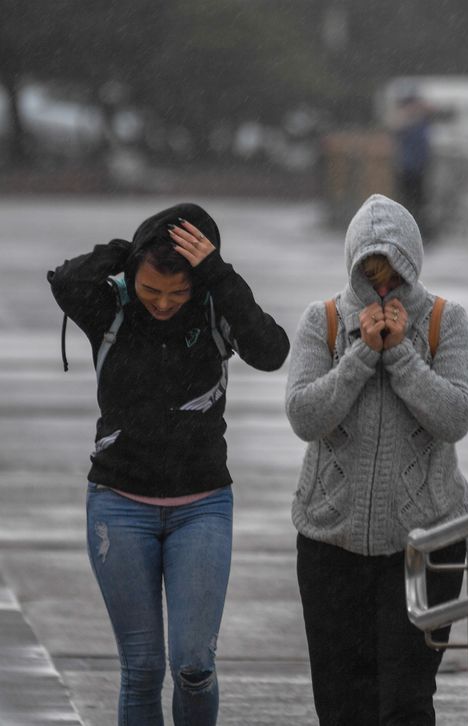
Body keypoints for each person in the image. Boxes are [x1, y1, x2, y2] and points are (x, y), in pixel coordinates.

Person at [47, 202, 289, 726]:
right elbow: (64, 281)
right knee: (141, 670)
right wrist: (126, 253)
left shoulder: (212, 307)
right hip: (118, 505)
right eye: (151, 289)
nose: (162, 303)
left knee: (194, 665)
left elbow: (271, 350)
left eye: (177, 292)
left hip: (200, 508)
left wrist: (217, 273)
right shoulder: (112, 309)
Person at [285, 194, 468, 726]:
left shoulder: (446, 321)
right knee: (342, 704)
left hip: (426, 546)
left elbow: (456, 415)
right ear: (354, 271)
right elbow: (304, 416)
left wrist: (401, 355)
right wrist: (361, 354)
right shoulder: (321, 322)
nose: (384, 289)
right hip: (330, 543)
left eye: (394, 276)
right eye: (372, 276)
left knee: (406, 704)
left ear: (412, 267)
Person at [391, 94, 432, 238]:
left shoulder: (421, 123)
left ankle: (418, 230)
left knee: (419, 202)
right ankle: (407, 230)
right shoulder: (407, 124)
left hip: (418, 169)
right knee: (407, 201)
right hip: (407, 169)